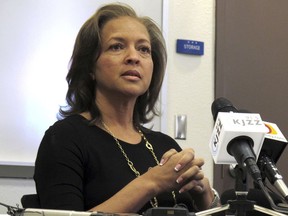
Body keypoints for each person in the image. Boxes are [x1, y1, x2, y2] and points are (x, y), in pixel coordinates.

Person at [34, 2, 220, 214]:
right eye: (117, 46)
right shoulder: (64, 138)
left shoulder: (164, 145)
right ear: (90, 67)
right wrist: (150, 183)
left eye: (143, 49)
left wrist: (204, 196)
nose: (134, 57)